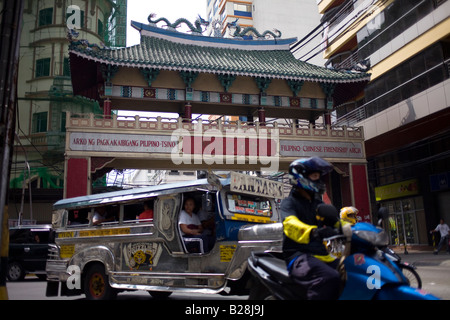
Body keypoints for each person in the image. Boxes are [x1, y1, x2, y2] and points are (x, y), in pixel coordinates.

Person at [281, 157, 341, 300]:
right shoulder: (289, 203)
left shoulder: (317, 204)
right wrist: (314, 232)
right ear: (301, 177)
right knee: (329, 277)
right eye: (315, 176)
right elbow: (290, 224)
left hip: (320, 254)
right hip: (297, 256)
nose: (319, 181)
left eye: (319, 177)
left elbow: (336, 222)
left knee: (354, 272)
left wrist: (357, 230)